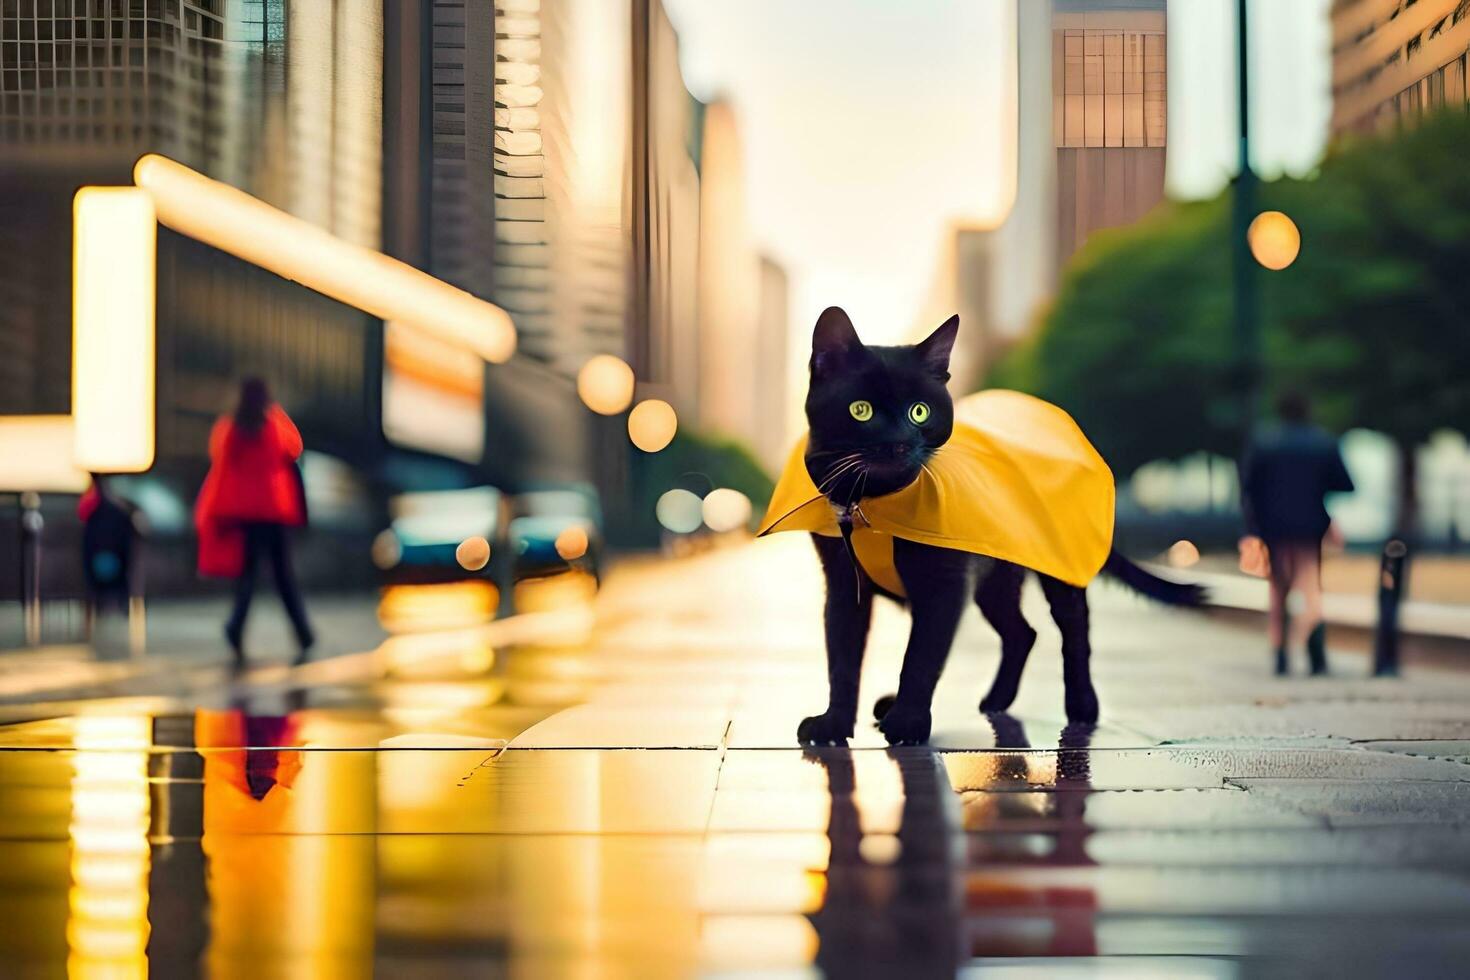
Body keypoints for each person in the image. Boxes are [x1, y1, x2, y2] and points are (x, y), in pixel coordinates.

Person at [195, 378, 314, 667]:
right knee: (283, 575)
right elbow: (294, 447)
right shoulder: (273, 424)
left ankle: (237, 626)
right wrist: (276, 411)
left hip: (245, 513)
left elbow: (220, 462)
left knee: (247, 575)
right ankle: (302, 631)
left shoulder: (230, 427)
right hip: (273, 511)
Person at [1240, 391, 1355, 676]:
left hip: (1273, 527)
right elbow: (1345, 484)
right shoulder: (1323, 443)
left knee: (1278, 588)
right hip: (1310, 525)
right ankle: (1315, 652)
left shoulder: (1264, 442)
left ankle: (1280, 652)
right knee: (1310, 585)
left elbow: (1248, 488)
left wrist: (1252, 528)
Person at [78, 473, 144, 638]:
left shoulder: (102, 510)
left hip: (106, 562)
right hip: (111, 563)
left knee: (104, 589)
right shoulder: (115, 510)